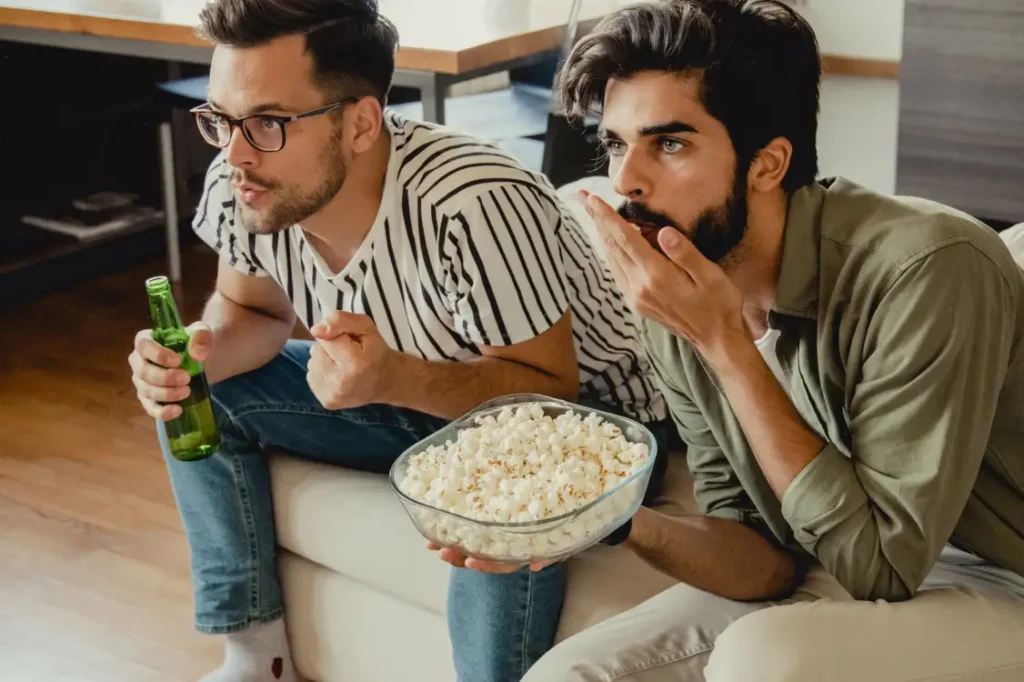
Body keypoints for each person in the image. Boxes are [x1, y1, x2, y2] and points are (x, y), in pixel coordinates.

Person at [124, 1, 670, 681]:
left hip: (581, 419)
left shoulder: (473, 204)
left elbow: (546, 390)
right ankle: (256, 658)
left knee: (489, 494)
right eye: (221, 121)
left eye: (267, 123)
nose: (234, 153)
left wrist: (391, 379)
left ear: (359, 122)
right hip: (421, 394)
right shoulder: (247, 182)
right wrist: (193, 359)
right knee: (201, 397)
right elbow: (251, 310)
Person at [512, 0, 1024, 680]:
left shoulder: (928, 268)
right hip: (836, 550)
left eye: (669, 143)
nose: (625, 180)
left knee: (763, 662)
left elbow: (884, 566)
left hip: (999, 571)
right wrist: (606, 518)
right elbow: (758, 551)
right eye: (615, 143)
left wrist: (724, 344)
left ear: (768, 163)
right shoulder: (679, 278)